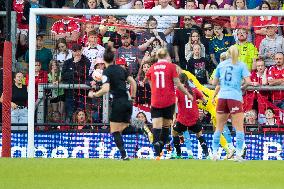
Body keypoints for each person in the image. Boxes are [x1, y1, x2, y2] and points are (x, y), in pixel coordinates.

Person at [88, 47, 137, 160]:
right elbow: (133, 83)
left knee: (114, 130)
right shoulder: (121, 69)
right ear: (113, 59)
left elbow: (105, 89)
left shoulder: (107, 71)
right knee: (124, 127)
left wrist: (94, 95)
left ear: (104, 60)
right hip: (127, 101)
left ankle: (124, 156)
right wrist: (133, 97)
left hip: (118, 102)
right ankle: (141, 127)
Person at [145, 48, 193, 159]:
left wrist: (155, 91)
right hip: (169, 100)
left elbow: (149, 81)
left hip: (156, 100)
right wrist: (188, 94)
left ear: (158, 56)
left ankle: (157, 153)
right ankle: (161, 145)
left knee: (156, 127)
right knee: (166, 126)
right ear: (166, 56)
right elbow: (178, 84)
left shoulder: (152, 68)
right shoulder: (171, 67)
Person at [211, 45, 251, 162]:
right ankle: (238, 154)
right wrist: (241, 86)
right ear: (238, 54)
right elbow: (248, 81)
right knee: (239, 127)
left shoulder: (221, 65)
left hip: (222, 96)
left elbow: (214, 82)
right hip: (235, 97)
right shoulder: (241, 65)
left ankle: (214, 153)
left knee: (219, 127)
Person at [171, 73, 209, 159]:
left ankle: (178, 154)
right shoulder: (194, 90)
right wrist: (200, 103)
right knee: (199, 134)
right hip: (194, 117)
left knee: (174, 132)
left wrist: (174, 117)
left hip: (182, 118)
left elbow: (175, 104)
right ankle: (207, 154)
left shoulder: (177, 90)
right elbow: (204, 101)